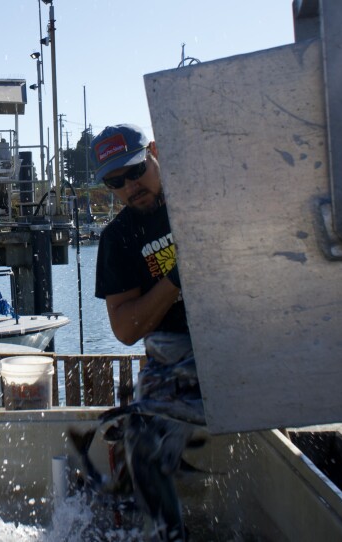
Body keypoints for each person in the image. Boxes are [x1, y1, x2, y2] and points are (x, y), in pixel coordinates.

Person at [91, 124, 202, 541]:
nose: (130, 186)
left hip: (237, 338)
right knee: (141, 441)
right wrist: (176, 277)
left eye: (136, 171)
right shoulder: (117, 239)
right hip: (171, 353)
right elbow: (125, 330)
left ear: (155, 152)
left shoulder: (199, 199)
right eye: (115, 182)